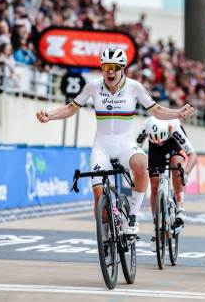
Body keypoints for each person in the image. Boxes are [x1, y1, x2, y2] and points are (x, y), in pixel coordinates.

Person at [36, 48, 194, 264]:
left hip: (125, 145)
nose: (109, 72)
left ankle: (133, 218)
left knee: (141, 166)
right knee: (99, 197)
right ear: (102, 68)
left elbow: (156, 111)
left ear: (122, 69)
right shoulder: (93, 86)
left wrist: (178, 112)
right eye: (105, 67)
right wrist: (50, 115)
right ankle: (106, 241)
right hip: (101, 147)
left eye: (114, 68)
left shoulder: (134, 87)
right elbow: (71, 108)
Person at [136, 116, 197, 252]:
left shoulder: (173, 126)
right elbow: (134, 151)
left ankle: (180, 207)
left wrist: (185, 172)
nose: (159, 143)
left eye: (160, 141)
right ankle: (155, 228)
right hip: (156, 142)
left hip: (173, 141)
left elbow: (193, 155)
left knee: (177, 166)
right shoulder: (146, 127)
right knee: (154, 184)